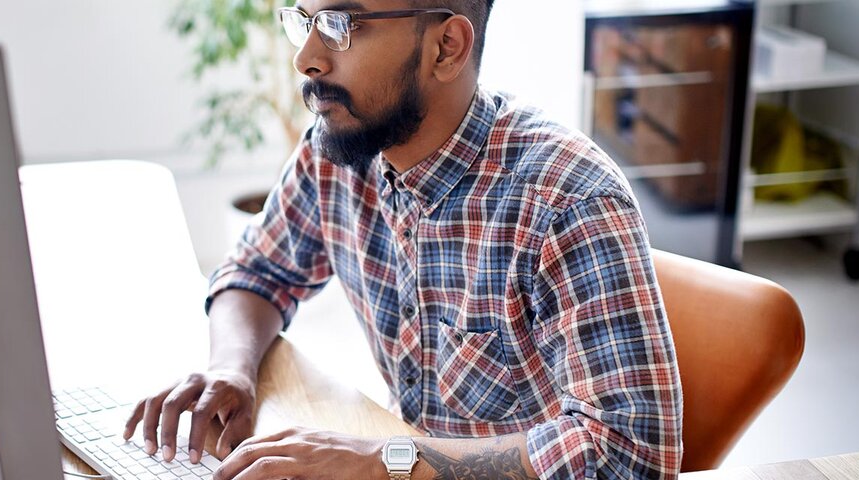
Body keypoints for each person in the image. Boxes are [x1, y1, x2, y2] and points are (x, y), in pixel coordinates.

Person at [123, 1, 682, 478]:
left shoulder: (568, 201)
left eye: (343, 24)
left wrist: (382, 461)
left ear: (446, 47)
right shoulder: (341, 150)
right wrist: (232, 368)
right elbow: (258, 272)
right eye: (305, 19)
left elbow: (629, 453)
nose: (306, 58)